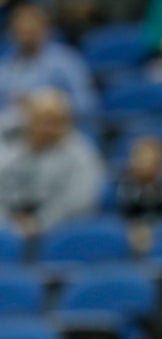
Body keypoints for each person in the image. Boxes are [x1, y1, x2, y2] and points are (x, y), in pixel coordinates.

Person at [0, 88, 105, 238]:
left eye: (56, 121)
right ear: (28, 120)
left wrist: (39, 222)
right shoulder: (8, 150)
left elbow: (80, 200)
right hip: (7, 229)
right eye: (41, 120)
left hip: (60, 233)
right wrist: (8, 225)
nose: (48, 128)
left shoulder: (81, 153)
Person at [0, 3, 99, 135]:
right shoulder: (5, 67)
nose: (26, 34)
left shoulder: (66, 61)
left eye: (32, 28)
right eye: (20, 29)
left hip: (59, 135)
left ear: (46, 29)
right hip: (12, 138)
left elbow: (86, 104)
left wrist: (46, 105)